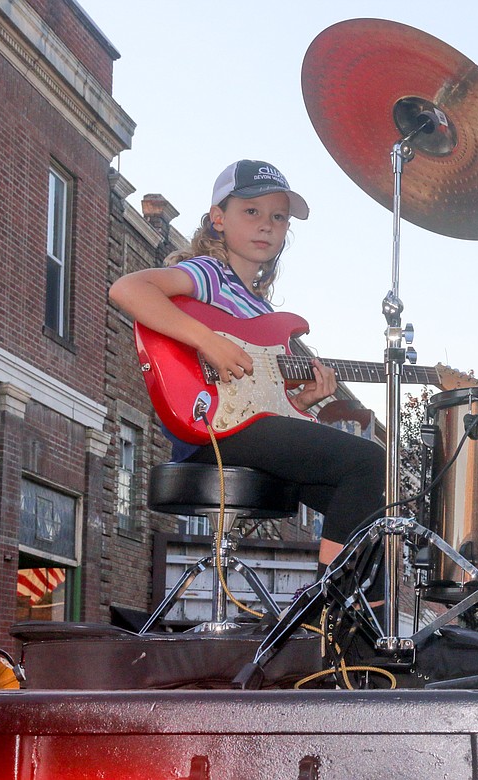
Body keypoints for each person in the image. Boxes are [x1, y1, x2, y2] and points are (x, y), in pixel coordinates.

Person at [110, 159, 386, 575]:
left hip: (247, 428)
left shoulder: (262, 312)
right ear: (218, 219)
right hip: (213, 430)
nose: (266, 225)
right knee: (369, 462)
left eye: (278, 217)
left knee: (374, 503)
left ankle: (363, 625)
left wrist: (302, 400)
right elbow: (127, 288)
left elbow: (260, 398)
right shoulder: (210, 275)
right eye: (252, 212)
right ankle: (330, 603)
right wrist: (207, 340)